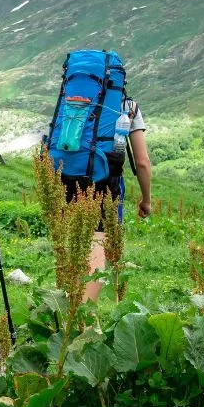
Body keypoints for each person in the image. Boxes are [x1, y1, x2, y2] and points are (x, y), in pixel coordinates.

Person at [76, 98, 151, 302]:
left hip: (67, 176)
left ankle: (68, 310)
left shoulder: (74, 96)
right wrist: (146, 200)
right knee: (96, 249)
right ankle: (83, 320)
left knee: (75, 245)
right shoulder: (128, 107)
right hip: (105, 181)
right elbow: (142, 162)